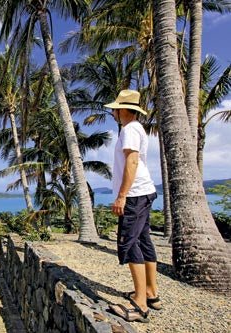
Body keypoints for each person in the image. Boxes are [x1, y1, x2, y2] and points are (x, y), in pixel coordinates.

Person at [104, 90, 161, 323]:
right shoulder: (136, 129)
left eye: (116, 108)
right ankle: (151, 293)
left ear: (123, 110)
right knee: (144, 240)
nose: (114, 112)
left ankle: (140, 304)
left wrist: (122, 196)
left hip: (135, 195)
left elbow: (132, 161)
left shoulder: (129, 129)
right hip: (143, 192)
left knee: (129, 242)